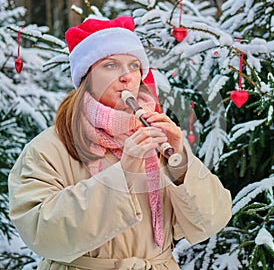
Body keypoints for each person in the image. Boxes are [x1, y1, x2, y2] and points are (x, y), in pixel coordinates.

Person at [8, 16, 232, 270]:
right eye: (111, 65)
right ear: (86, 76)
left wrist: (180, 164)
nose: (127, 77)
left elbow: (212, 221)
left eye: (134, 65)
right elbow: (41, 234)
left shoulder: (158, 138)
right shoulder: (48, 148)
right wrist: (123, 174)